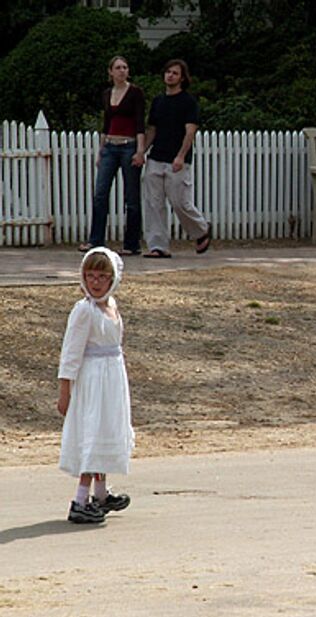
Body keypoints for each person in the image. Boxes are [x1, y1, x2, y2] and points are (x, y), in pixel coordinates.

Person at [57, 247, 134, 524]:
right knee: (92, 432)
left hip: (112, 378)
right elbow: (70, 353)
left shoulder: (110, 306)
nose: (95, 282)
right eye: (90, 276)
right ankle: (79, 499)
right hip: (93, 381)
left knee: (106, 429)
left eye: (102, 276)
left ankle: (100, 494)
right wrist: (65, 390)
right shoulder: (84, 311)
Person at [143, 59, 211, 258]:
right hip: (156, 157)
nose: (170, 75)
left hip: (177, 159)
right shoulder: (158, 101)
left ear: (182, 78)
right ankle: (158, 246)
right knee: (153, 204)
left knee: (180, 202)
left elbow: (190, 132)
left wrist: (181, 156)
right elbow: (152, 129)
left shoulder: (188, 102)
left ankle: (201, 229)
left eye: (175, 73)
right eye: (168, 72)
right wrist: (142, 151)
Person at [79, 56, 146, 256]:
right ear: (110, 72)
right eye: (117, 68)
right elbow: (106, 123)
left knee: (131, 197)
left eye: (125, 67)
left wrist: (140, 150)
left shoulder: (135, 93)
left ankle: (132, 243)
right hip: (110, 146)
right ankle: (96, 240)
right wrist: (101, 150)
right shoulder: (107, 93)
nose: (122, 71)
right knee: (100, 193)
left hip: (129, 146)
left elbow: (140, 122)